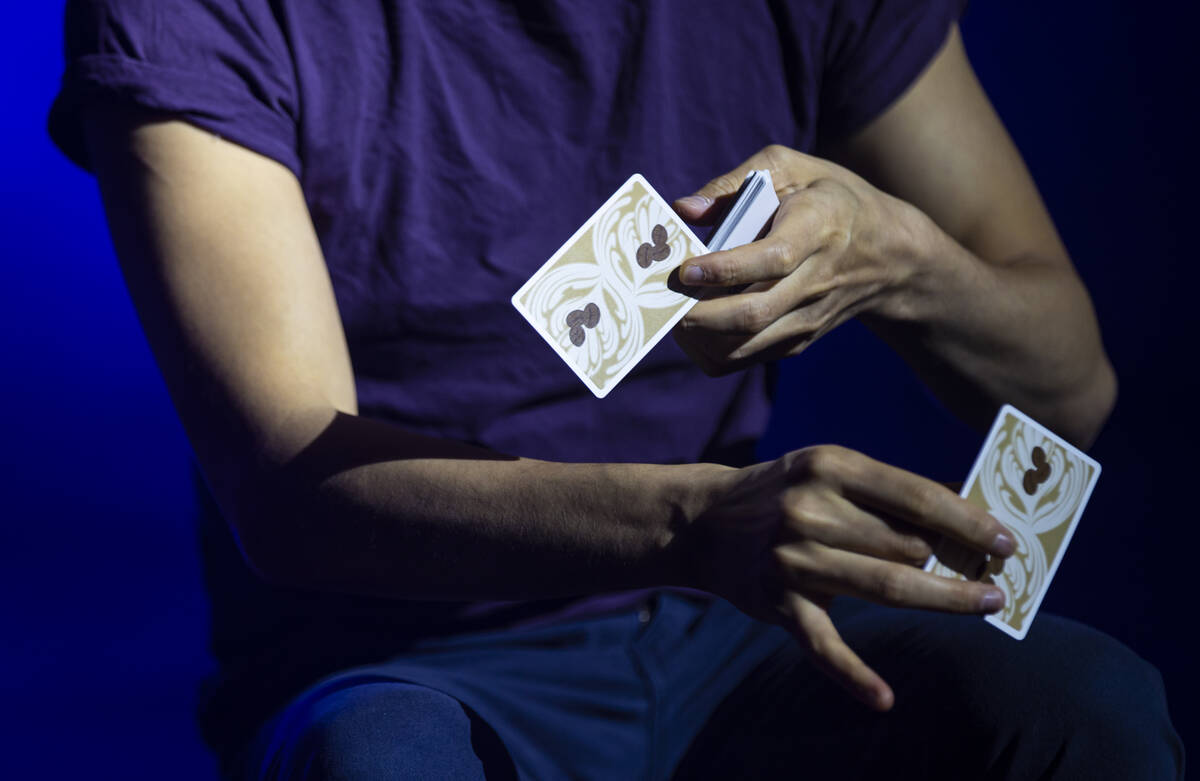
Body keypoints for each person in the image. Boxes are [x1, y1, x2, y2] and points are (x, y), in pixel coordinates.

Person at [50, 0, 1182, 778]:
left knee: (1088, 704)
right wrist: (695, 522)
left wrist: (906, 259)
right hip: (394, 657)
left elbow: (1069, 388)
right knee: (381, 763)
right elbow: (289, 485)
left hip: (727, 627)